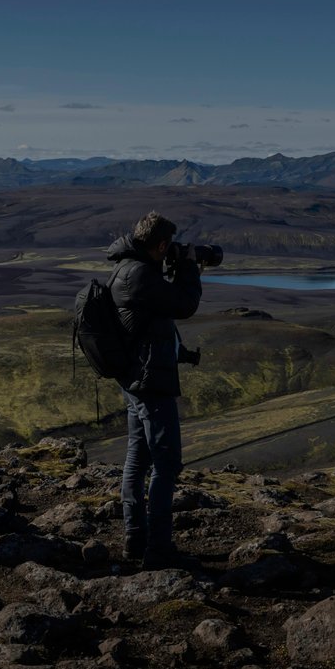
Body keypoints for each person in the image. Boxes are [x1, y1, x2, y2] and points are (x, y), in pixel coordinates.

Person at [106, 210, 204, 569]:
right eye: (169, 248)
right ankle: (159, 549)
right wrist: (189, 267)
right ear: (161, 245)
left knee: (139, 458)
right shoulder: (140, 275)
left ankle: (136, 538)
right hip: (151, 382)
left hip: (136, 378)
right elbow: (185, 304)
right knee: (166, 464)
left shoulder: (127, 267)